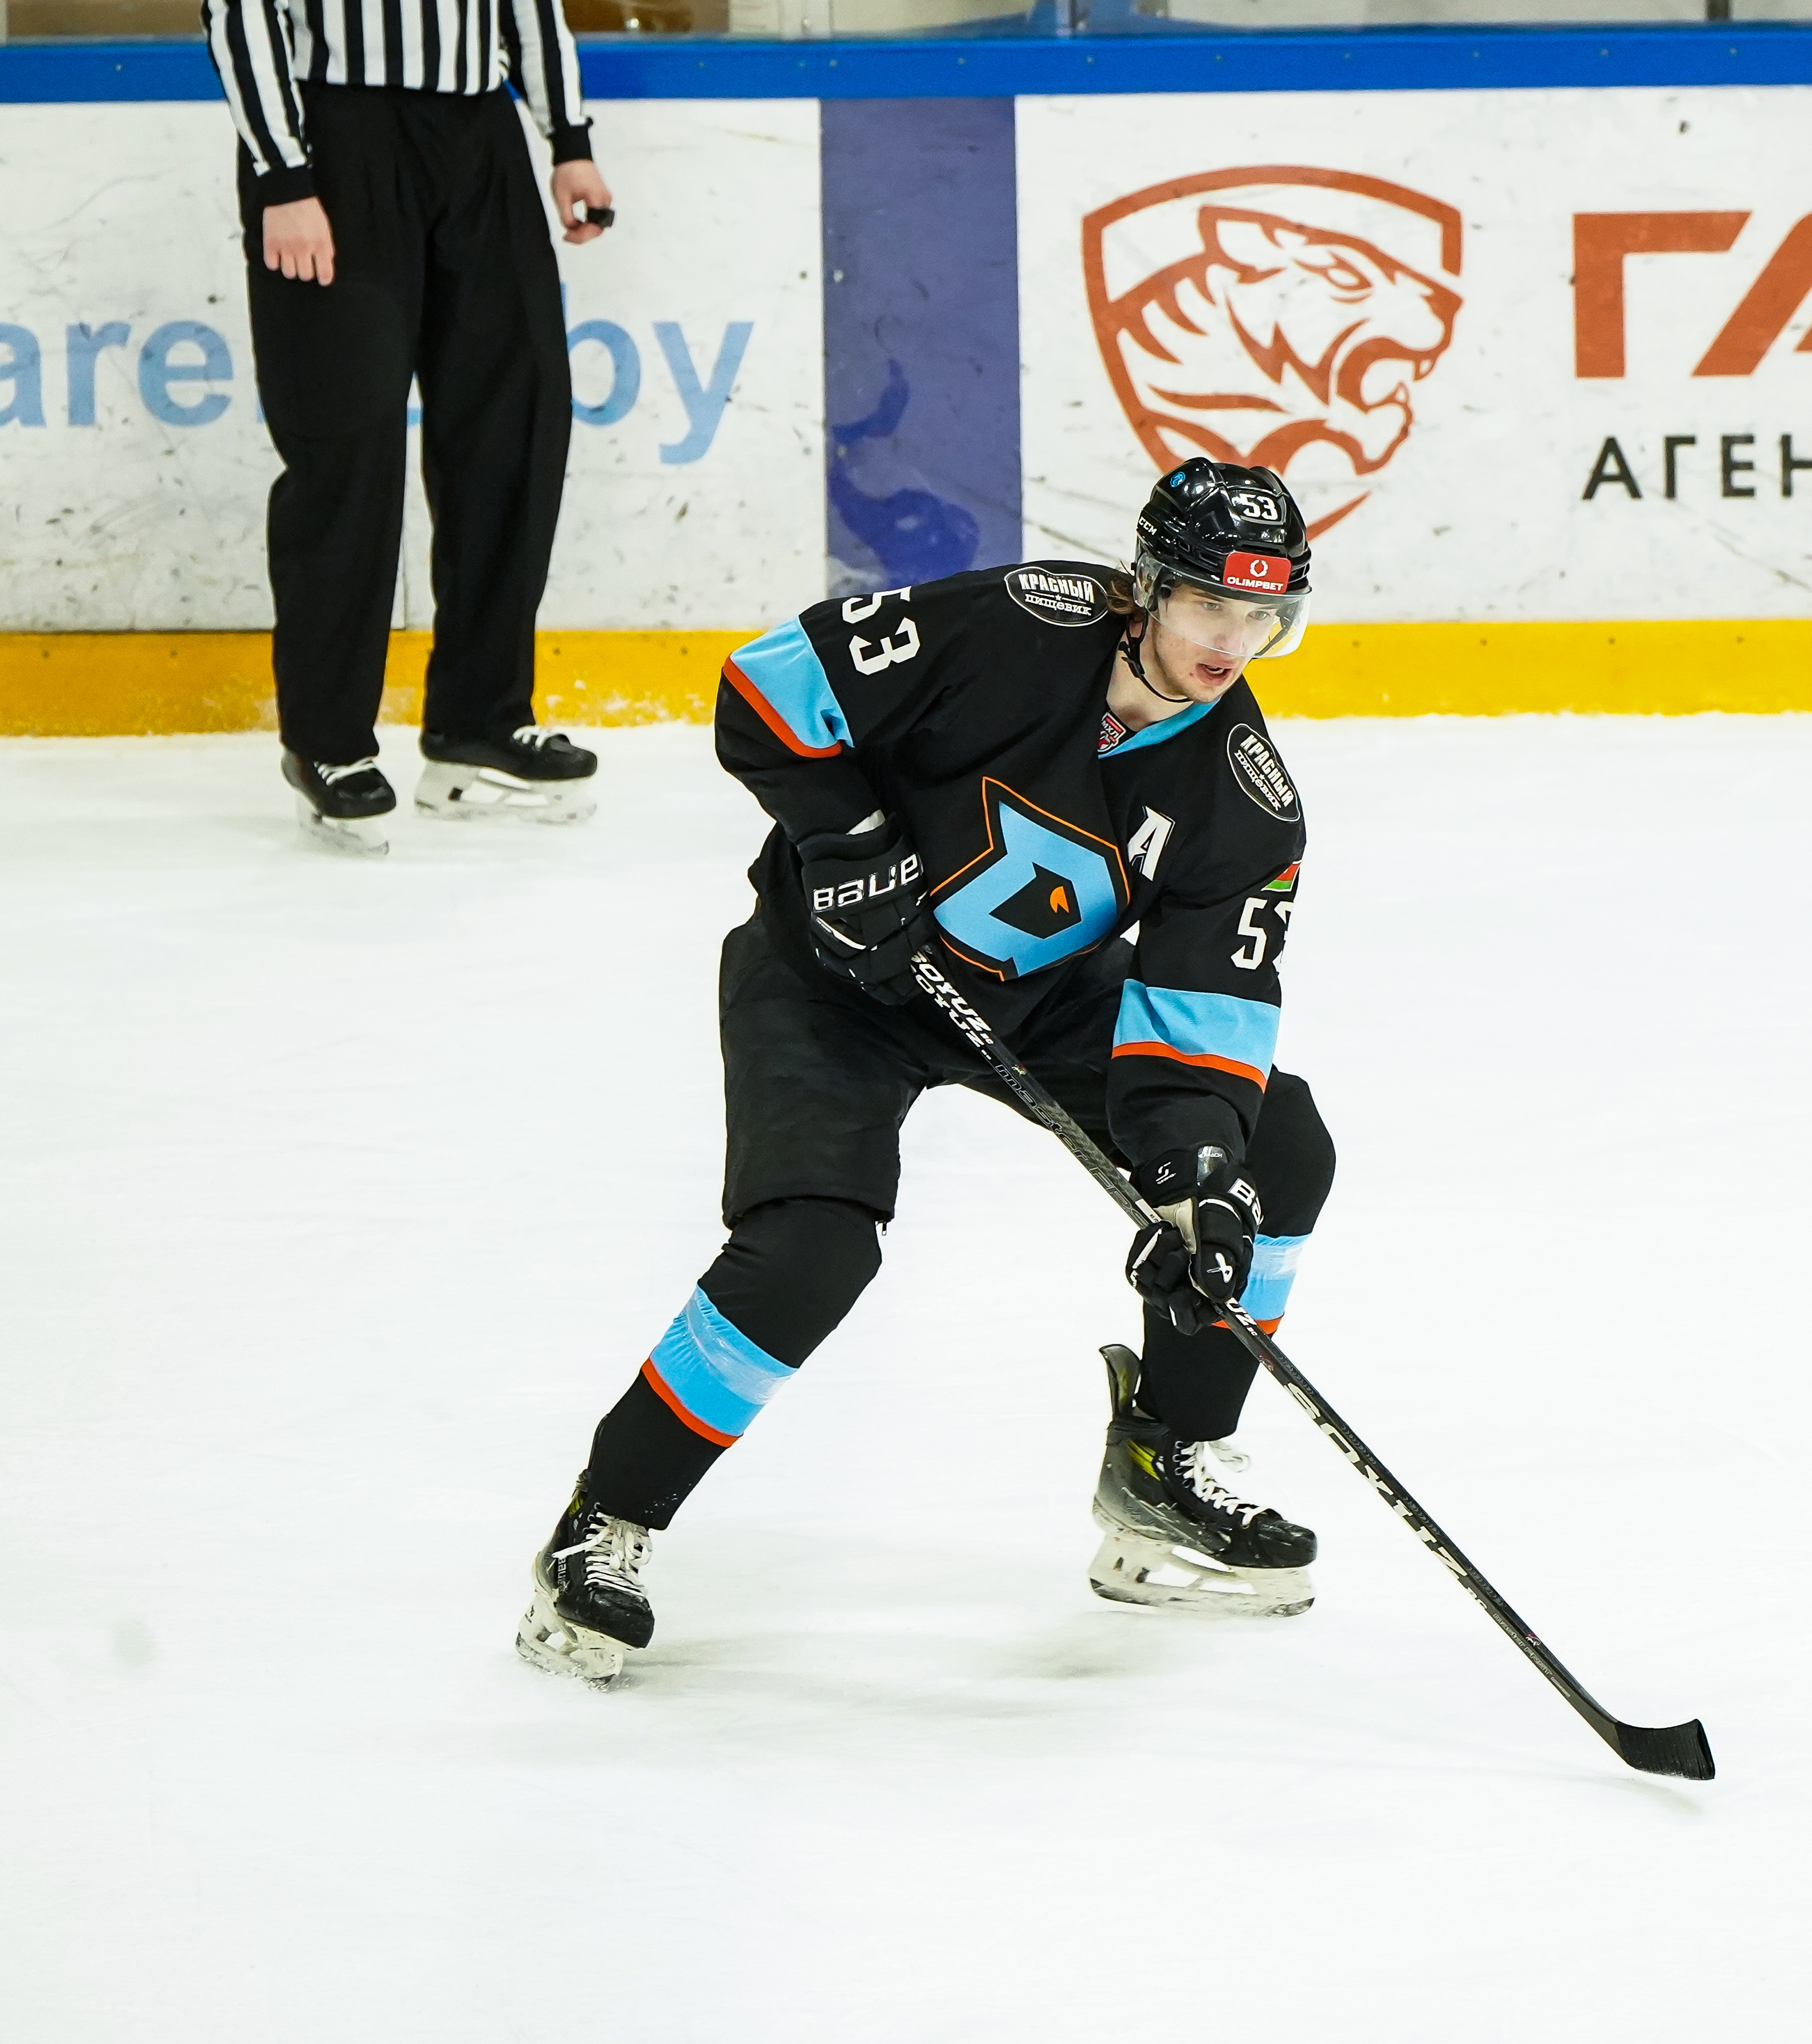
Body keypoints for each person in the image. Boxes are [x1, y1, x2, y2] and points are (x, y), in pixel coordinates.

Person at [516, 459, 1338, 1686]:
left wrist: (1194, 1182)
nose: (1232, 641)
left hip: (1031, 989)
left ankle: (1166, 1461)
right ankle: (608, 1516)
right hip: (827, 980)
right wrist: (841, 839)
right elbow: (770, 683)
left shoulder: (1243, 801)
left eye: (1262, 616)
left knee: (1271, 1152)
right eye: (1208, 604)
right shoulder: (1015, 623)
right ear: (1145, 588)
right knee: (811, 1250)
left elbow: (1200, 1021)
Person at [199, 0, 614, 854]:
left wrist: (567, 138)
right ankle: (328, 741)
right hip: (335, 140)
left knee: (513, 425)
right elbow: (240, 11)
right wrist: (282, 173)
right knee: (344, 443)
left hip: (480, 137)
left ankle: (480, 721)